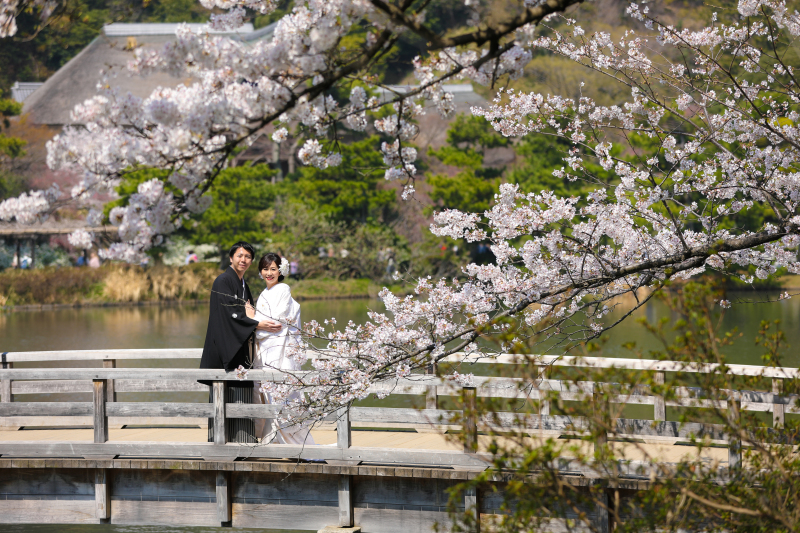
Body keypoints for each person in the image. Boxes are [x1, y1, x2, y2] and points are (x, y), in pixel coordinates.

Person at [199, 241, 280, 443]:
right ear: (231, 258)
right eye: (239, 255)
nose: (243, 260)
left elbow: (246, 313)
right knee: (223, 397)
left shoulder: (243, 284)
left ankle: (243, 441)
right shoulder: (223, 281)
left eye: (247, 257)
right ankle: (219, 441)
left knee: (241, 395)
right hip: (225, 350)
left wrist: (252, 321)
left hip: (239, 349)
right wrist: (255, 324)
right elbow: (230, 315)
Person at [251, 252, 316, 446]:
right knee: (269, 393)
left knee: (282, 393)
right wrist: (257, 324)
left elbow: (276, 321)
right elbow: (265, 323)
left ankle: (290, 439)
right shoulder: (264, 293)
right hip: (267, 348)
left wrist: (253, 322)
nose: (269, 273)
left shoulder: (283, 289)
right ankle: (273, 438)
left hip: (278, 348)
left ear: (281, 271)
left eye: (273, 269)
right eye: (265, 269)